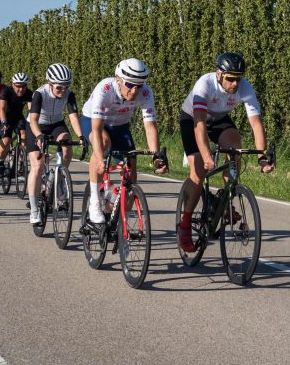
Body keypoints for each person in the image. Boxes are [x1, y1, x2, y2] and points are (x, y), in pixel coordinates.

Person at [177, 52, 274, 252]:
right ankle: (185, 226)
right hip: (193, 120)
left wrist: (261, 157)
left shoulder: (245, 87)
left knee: (235, 147)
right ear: (219, 74)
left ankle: (224, 199)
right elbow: (200, 125)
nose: (235, 84)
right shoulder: (205, 84)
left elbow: (256, 123)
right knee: (197, 175)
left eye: (238, 78)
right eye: (230, 78)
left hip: (219, 119)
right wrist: (205, 157)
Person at [80, 58, 167, 230]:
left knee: (131, 168)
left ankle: (120, 222)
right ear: (118, 79)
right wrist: (99, 159)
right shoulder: (104, 89)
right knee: (103, 143)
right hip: (93, 121)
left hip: (120, 126)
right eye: (130, 84)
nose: (135, 90)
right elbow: (96, 129)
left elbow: (150, 127)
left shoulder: (146, 92)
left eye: (139, 85)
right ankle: (95, 205)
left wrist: (156, 157)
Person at [26, 63, 85, 224]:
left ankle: (56, 177)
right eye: (59, 87)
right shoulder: (40, 93)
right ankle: (34, 209)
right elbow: (33, 119)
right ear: (50, 84)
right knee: (37, 165)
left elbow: (73, 116)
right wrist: (39, 136)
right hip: (37, 125)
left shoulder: (69, 94)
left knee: (66, 147)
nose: (63, 90)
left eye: (66, 86)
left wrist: (81, 136)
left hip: (56, 124)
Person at [0, 72, 32, 175]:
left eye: (23, 86)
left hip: (19, 117)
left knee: (24, 136)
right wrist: (4, 123)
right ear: (13, 85)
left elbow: (31, 110)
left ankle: (21, 161)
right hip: (6, 117)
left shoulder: (28, 93)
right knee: (6, 140)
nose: (21, 89)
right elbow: (2, 109)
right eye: (18, 86)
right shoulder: (6, 91)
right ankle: (0, 163)